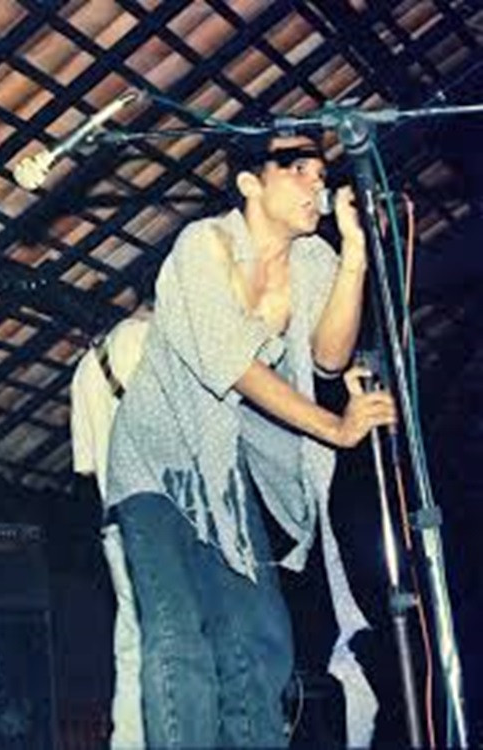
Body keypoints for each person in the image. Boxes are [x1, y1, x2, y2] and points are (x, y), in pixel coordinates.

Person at [106, 128, 397, 748]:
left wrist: (354, 254)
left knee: (260, 639)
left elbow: (328, 357)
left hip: (223, 466)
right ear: (249, 183)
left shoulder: (311, 260)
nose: (316, 181)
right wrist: (335, 427)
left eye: (320, 172)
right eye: (296, 168)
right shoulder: (204, 244)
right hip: (155, 458)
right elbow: (232, 362)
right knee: (179, 638)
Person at [70, 312, 151, 750]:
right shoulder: (151, 337)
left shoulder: (85, 367)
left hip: (115, 523)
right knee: (184, 638)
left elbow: (85, 465)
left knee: (132, 644)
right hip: (162, 516)